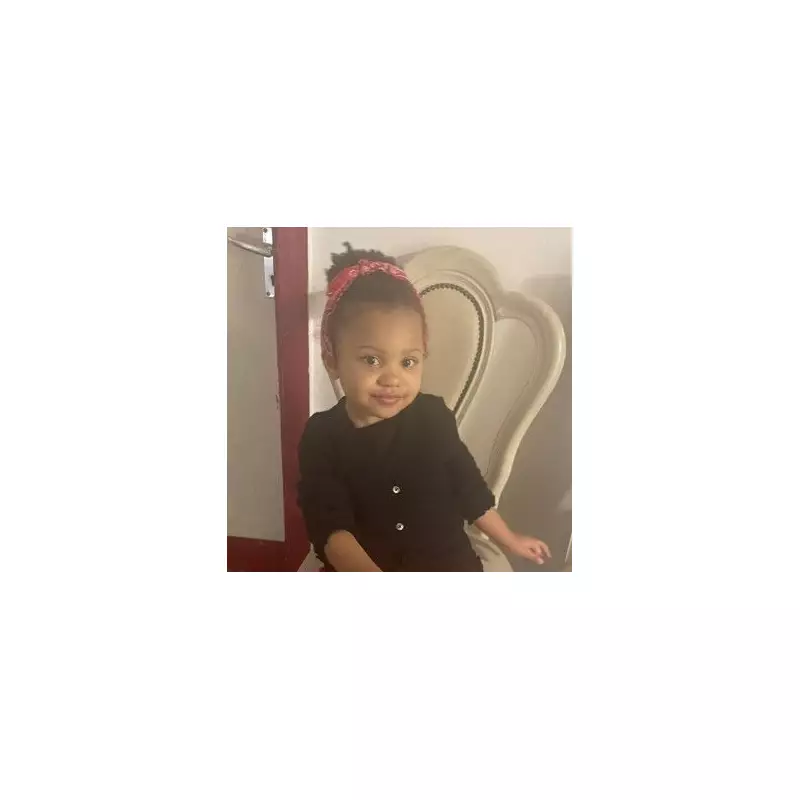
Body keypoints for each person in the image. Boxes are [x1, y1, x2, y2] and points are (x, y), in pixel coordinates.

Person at [297, 243, 552, 572]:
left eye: (408, 362)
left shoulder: (433, 417)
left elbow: (468, 488)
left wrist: (509, 539)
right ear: (332, 359)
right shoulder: (322, 437)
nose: (392, 378)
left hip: (447, 564)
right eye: (371, 360)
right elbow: (330, 527)